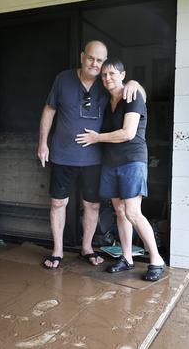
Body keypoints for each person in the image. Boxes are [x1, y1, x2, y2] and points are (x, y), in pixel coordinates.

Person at [37, 41, 143, 269]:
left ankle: (86, 248)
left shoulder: (106, 83)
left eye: (100, 60)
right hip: (62, 154)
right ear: (82, 56)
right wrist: (43, 144)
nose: (95, 64)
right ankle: (57, 251)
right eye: (91, 58)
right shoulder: (63, 79)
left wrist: (133, 82)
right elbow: (49, 110)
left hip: (95, 158)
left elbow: (135, 94)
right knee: (58, 203)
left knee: (92, 206)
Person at [75, 58, 166, 281]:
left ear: (123, 75)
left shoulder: (132, 95)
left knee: (133, 211)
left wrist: (96, 138)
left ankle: (156, 259)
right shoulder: (107, 101)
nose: (107, 78)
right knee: (119, 211)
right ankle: (127, 258)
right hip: (111, 162)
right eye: (104, 75)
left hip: (132, 160)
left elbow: (128, 133)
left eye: (112, 74)